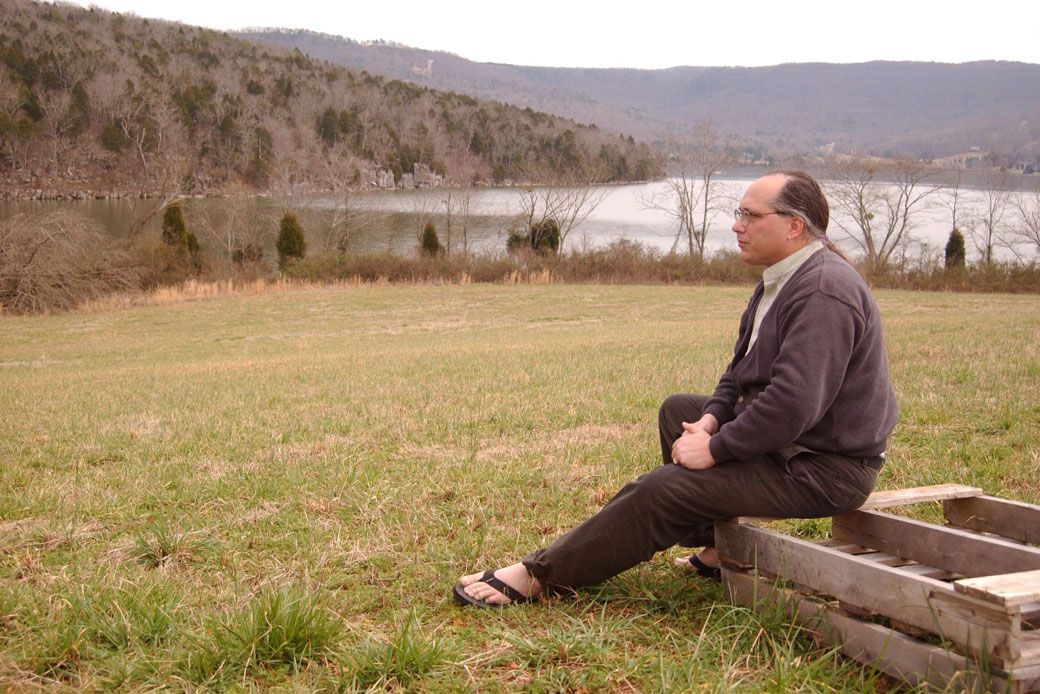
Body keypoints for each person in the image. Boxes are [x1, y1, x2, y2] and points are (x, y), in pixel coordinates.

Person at [454, 170, 898, 607]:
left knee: (665, 489)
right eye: (738, 213)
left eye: (750, 215)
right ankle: (716, 549)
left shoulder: (823, 290)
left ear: (794, 226)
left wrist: (716, 448)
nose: (736, 225)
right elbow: (738, 375)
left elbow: (792, 404)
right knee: (679, 411)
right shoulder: (782, 279)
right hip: (798, 442)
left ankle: (540, 575)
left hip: (824, 466)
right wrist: (708, 420)